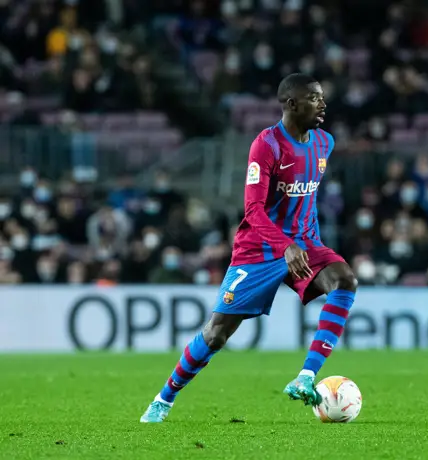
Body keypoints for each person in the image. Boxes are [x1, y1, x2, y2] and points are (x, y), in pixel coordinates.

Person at [140, 74, 358, 423]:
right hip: (259, 251)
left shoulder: (324, 142)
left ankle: (305, 376)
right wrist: (284, 246)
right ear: (292, 104)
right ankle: (164, 398)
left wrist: (297, 243)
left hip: (304, 243)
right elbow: (253, 210)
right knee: (216, 334)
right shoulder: (267, 145)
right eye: (314, 98)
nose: (323, 104)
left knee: (344, 280)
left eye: (321, 97)